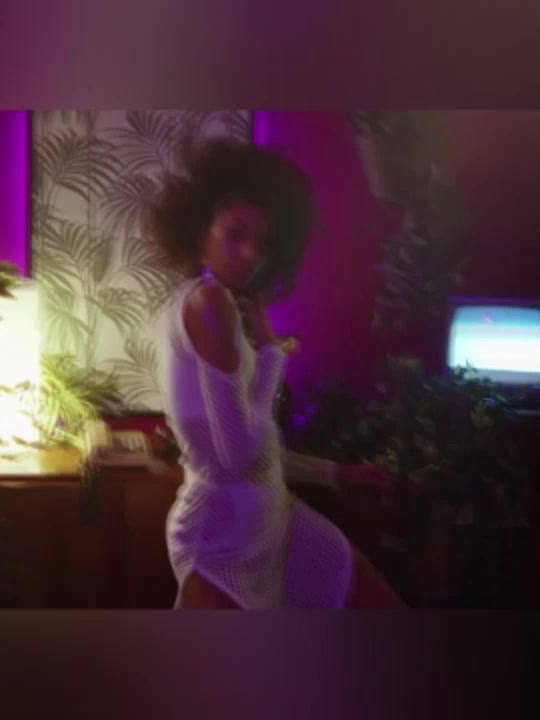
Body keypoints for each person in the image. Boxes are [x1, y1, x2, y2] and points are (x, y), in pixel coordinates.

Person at [150, 138, 406, 609]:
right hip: (223, 541)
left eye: (263, 242)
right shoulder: (209, 304)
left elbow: (258, 449)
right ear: (201, 230)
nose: (251, 254)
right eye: (236, 234)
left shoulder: (210, 304)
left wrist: (336, 473)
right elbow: (239, 456)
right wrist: (271, 352)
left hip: (277, 525)